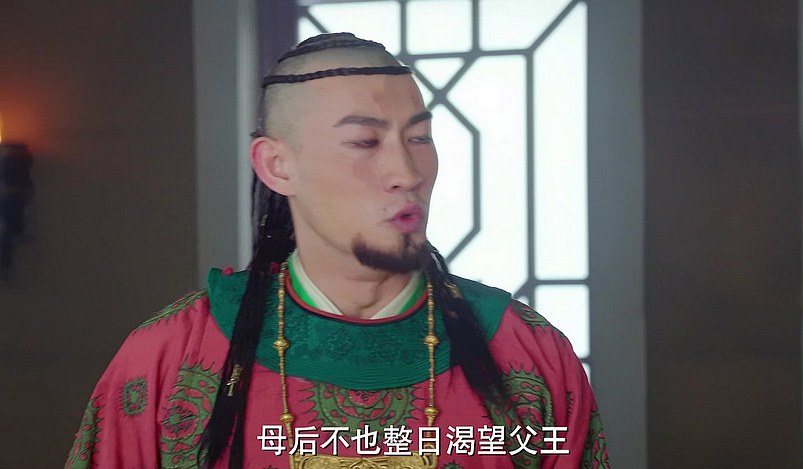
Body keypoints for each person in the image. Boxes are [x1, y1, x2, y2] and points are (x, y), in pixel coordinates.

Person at [65, 33, 610, 469]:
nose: (407, 173)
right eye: (365, 142)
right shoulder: (169, 360)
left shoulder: (526, 354)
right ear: (277, 165)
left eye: (419, 138)